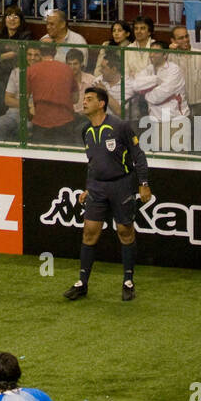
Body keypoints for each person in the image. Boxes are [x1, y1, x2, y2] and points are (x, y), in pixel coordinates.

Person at [63, 86, 152, 302]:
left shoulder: (120, 127)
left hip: (121, 185)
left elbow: (138, 156)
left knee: (125, 231)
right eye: (84, 99)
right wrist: (87, 187)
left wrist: (143, 183)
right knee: (89, 232)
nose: (84, 102)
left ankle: (128, 281)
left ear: (101, 103)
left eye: (89, 99)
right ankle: (82, 283)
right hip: (97, 188)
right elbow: (92, 163)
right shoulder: (85, 131)